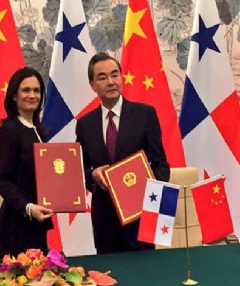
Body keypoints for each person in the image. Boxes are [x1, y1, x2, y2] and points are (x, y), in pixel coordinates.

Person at [75, 52, 170, 254]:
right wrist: (92, 175)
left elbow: (161, 164)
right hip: (105, 221)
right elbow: (79, 170)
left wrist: (147, 197)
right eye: (102, 77)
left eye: (115, 74)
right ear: (92, 84)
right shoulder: (85, 124)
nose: (110, 82)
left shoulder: (145, 114)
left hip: (140, 217)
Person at [0, 67, 54, 259]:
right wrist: (27, 207)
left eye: (36, 91)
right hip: (16, 226)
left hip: (38, 222)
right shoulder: (9, 131)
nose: (32, 95)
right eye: (26, 90)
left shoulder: (39, 131)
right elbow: (2, 181)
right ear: (13, 95)